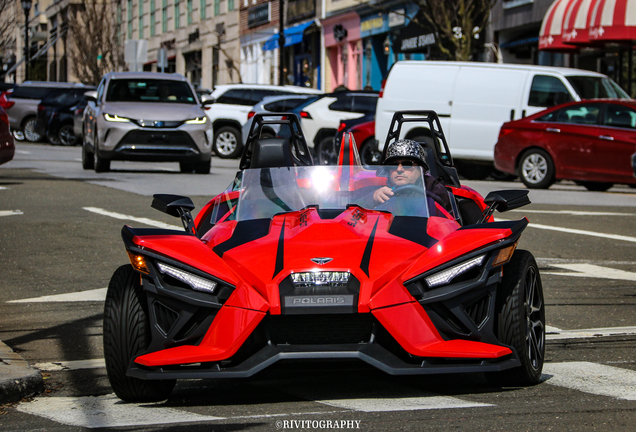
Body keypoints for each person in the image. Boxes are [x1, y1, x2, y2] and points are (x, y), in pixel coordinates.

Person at [371, 139, 452, 213]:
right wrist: (373, 197)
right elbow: (359, 206)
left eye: (407, 164)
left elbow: (447, 224)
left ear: (421, 169)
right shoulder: (381, 187)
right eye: (393, 165)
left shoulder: (435, 190)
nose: (399, 169)